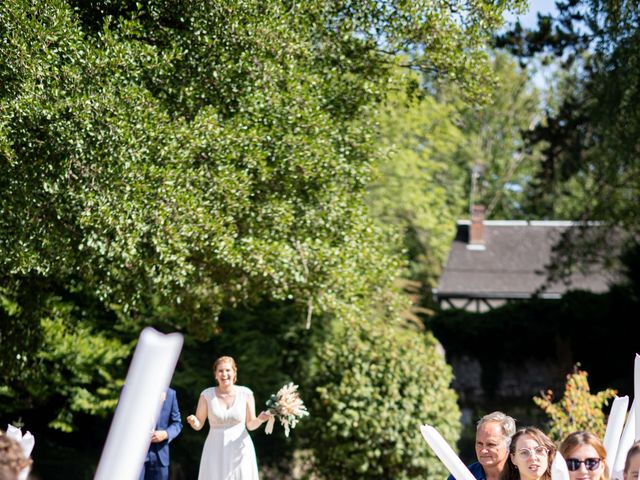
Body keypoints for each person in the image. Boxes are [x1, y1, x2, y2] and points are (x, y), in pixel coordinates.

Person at [186, 356, 270, 480]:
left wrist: (260, 419)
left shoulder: (246, 393)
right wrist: (194, 421)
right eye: (220, 371)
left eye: (228, 370)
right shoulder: (206, 395)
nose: (224, 374)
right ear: (215, 375)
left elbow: (251, 425)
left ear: (234, 373)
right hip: (215, 448)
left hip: (240, 449)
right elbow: (199, 425)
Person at [448, 411, 516, 480]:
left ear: (509, 444)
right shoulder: (459, 477)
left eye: (491, 444)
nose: (483, 450)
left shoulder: (523, 474)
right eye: (479, 443)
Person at [139, 387, 183, 480]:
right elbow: (119, 420)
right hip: (135, 454)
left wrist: (166, 434)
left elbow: (177, 423)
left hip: (160, 456)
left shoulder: (170, 393)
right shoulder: (129, 390)